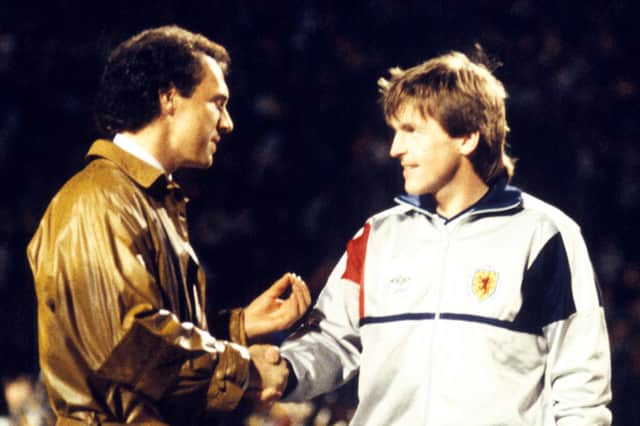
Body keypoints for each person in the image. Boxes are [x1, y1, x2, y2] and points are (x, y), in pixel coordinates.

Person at [279, 49, 612, 425]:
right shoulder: (376, 236)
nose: (395, 149)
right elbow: (331, 342)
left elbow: (581, 393)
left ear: (467, 137)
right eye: (394, 132)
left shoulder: (546, 236)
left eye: (412, 132)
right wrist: (282, 370)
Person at [27, 25, 311, 425]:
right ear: (169, 98)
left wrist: (238, 326)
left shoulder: (141, 199)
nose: (227, 123)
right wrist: (245, 366)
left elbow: (148, 329)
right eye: (217, 102)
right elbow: (129, 343)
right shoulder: (99, 200)